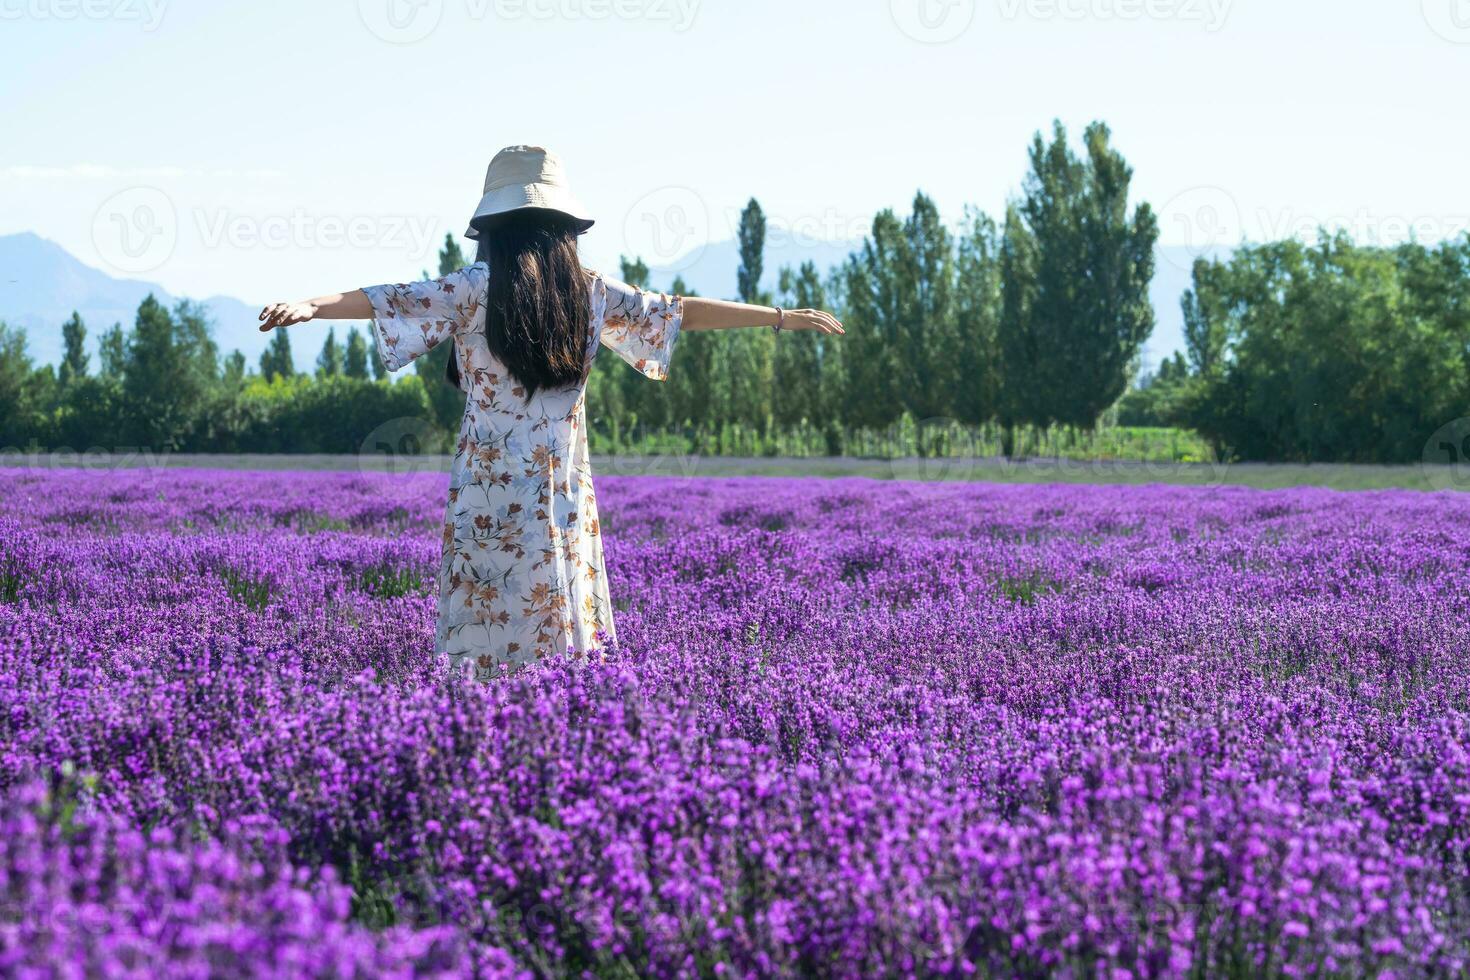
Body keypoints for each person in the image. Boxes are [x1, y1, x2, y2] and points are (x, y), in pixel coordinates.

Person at [258, 145, 844, 677]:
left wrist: (309, 304)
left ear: (492, 226)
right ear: (563, 225)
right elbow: (679, 311)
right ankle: (559, 721)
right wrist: (779, 316)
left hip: (486, 489)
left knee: (485, 623)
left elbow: (385, 298)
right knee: (557, 609)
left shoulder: (472, 287)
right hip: (560, 485)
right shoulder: (587, 292)